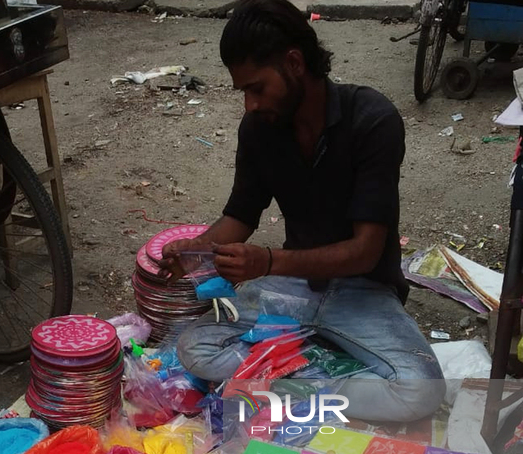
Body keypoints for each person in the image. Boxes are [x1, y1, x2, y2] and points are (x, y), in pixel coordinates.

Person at [159, 0, 445, 422]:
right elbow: (241, 215)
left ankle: (289, 371)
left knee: (421, 391)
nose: (250, 105)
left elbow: (366, 251)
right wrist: (197, 250)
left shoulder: (372, 119)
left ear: (294, 63)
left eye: (256, 88)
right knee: (193, 348)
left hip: (362, 290)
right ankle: (318, 371)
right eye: (244, 92)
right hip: (293, 288)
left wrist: (269, 261)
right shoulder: (260, 129)